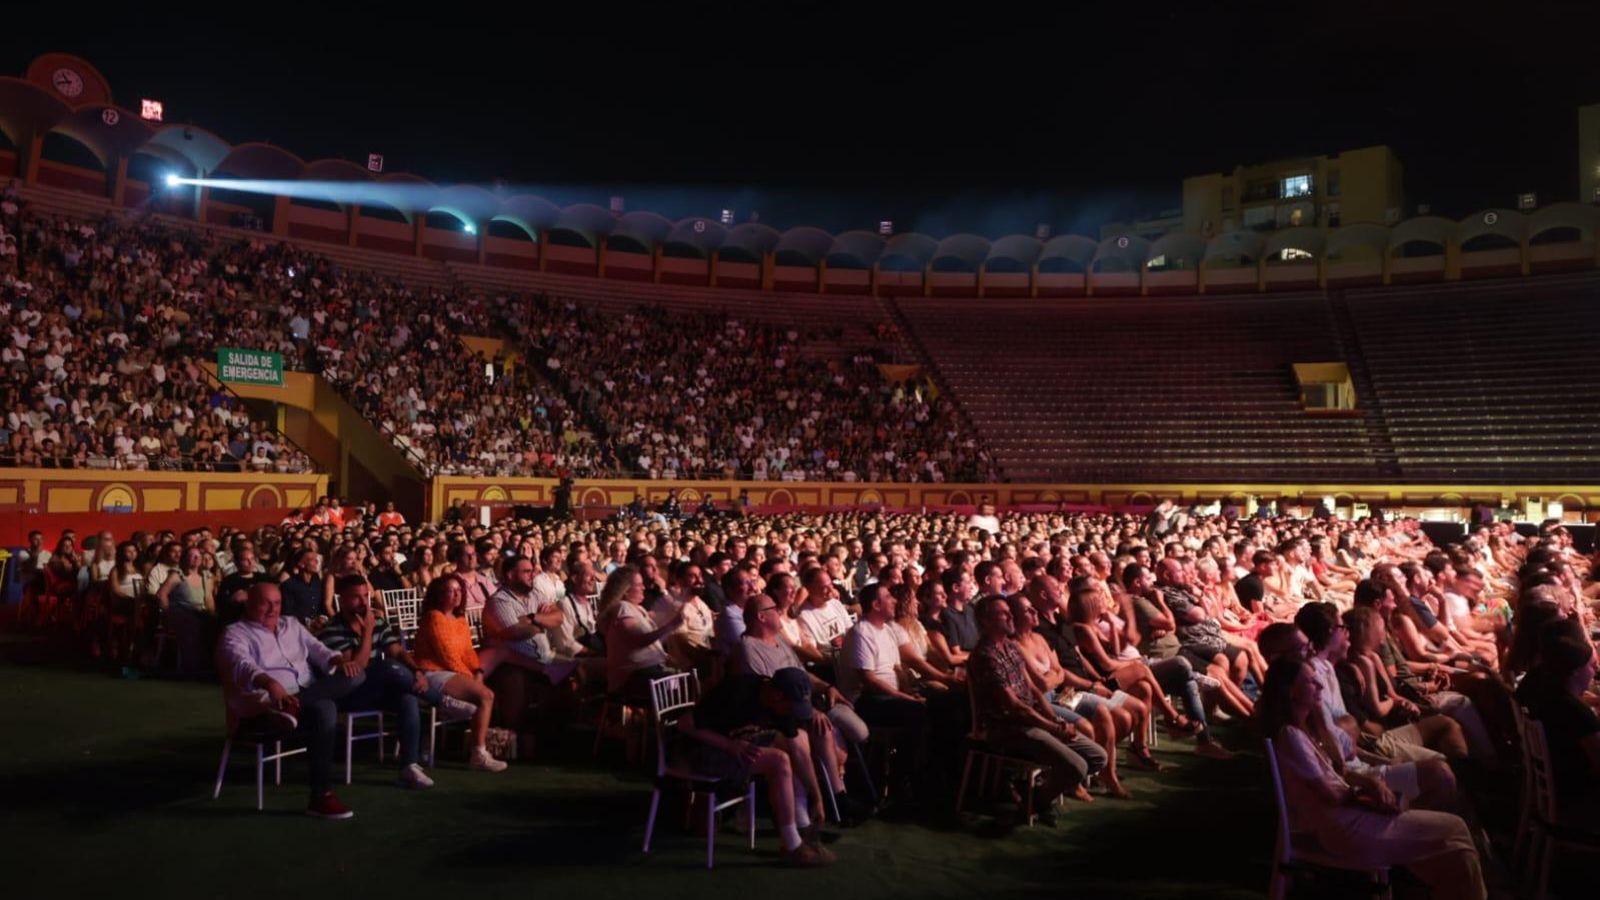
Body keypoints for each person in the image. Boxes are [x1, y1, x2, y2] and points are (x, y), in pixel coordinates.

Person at [1258, 656, 1486, 899]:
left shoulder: (1307, 729)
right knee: (1455, 832)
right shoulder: (1291, 736)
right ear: (1291, 692)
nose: (1320, 686)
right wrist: (1367, 789)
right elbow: (1330, 793)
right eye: (1311, 682)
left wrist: (1367, 783)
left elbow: (1340, 770)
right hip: (1342, 828)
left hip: (1348, 815)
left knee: (1454, 843)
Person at [216, 583, 363, 819]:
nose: (273, 609)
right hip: (263, 710)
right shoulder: (235, 633)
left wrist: (337, 662)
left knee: (356, 674)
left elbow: (320, 650)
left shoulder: (292, 625)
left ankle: (294, 705)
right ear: (250, 603)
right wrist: (270, 683)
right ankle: (321, 797)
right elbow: (241, 665)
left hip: (298, 705)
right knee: (325, 707)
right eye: (266, 603)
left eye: (277, 603)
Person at [968, 594, 1107, 824]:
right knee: (1077, 766)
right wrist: (1053, 727)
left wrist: (1055, 720)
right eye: (1003, 613)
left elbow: (1033, 690)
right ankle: (1038, 800)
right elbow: (1014, 707)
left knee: (1097, 757)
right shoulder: (985, 656)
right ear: (985, 621)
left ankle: (1033, 795)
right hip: (1006, 727)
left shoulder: (1010, 646)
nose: (1010, 616)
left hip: (1033, 719)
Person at [674, 668, 835, 866]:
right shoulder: (737, 691)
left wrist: (817, 797)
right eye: (791, 705)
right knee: (779, 761)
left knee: (795, 742)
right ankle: (791, 845)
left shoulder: (780, 704)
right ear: (777, 696)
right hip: (701, 751)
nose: (792, 712)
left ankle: (802, 827)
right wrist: (729, 745)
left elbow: (799, 752)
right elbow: (684, 724)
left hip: (737, 744)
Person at [315, 575, 434, 788]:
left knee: (406, 697)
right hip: (346, 694)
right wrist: (368, 632)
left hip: (374, 690)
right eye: (356, 597)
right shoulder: (332, 629)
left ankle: (409, 766)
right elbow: (355, 670)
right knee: (388, 667)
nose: (363, 602)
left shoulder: (377, 621)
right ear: (341, 600)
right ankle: (439, 698)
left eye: (365, 596)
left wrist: (417, 672)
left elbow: (397, 651)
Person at [410, 574, 509, 772]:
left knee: (486, 685)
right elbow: (447, 656)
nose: (457, 594)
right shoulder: (434, 618)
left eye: (459, 590)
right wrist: (472, 679)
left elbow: (467, 652)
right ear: (439, 595)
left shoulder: (460, 620)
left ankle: (470, 738)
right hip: (432, 672)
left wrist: (478, 671)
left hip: (452, 672)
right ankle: (478, 753)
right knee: (485, 695)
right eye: (451, 591)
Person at [598, 564, 682, 704]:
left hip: (648, 670)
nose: (644, 588)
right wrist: (670, 626)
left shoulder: (637, 609)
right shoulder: (622, 608)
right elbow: (639, 640)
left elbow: (662, 616)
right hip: (632, 677)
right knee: (681, 684)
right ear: (626, 590)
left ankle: (676, 721)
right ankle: (674, 723)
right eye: (639, 585)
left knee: (685, 679)